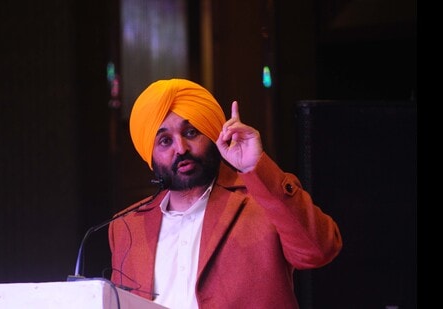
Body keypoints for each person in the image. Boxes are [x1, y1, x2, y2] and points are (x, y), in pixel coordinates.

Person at [108, 78, 342, 309]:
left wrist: (255, 167)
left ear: (212, 134)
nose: (181, 149)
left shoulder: (263, 201)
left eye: (191, 132)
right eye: (165, 140)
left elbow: (319, 250)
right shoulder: (126, 226)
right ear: (150, 155)